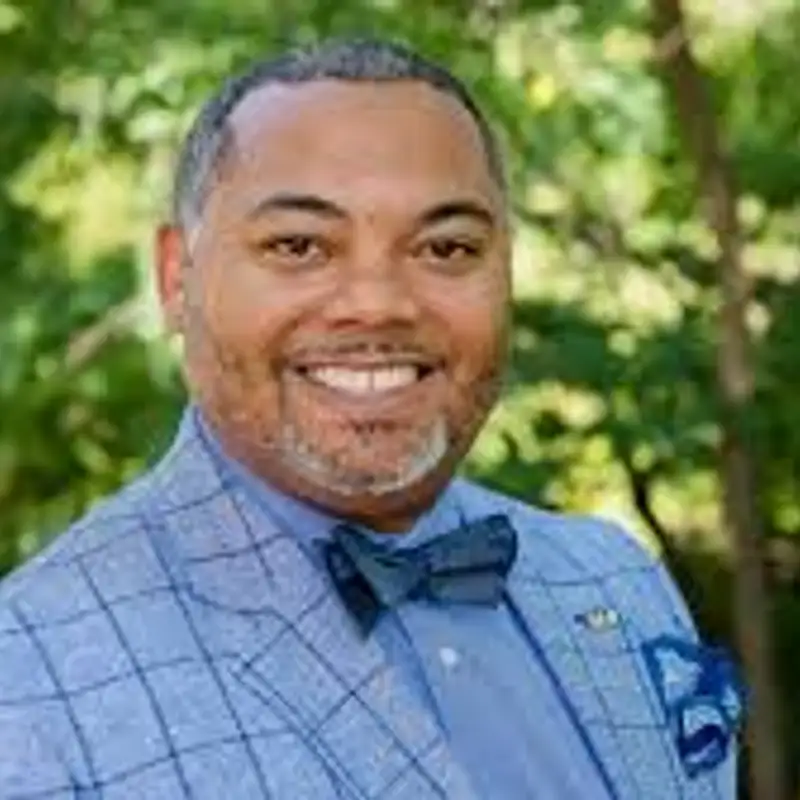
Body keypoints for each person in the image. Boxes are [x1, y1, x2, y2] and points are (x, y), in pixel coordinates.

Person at [0, 38, 743, 799]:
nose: (378, 303)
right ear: (176, 279)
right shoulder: (27, 677)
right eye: (299, 246)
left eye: (445, 247)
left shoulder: (616, 578)